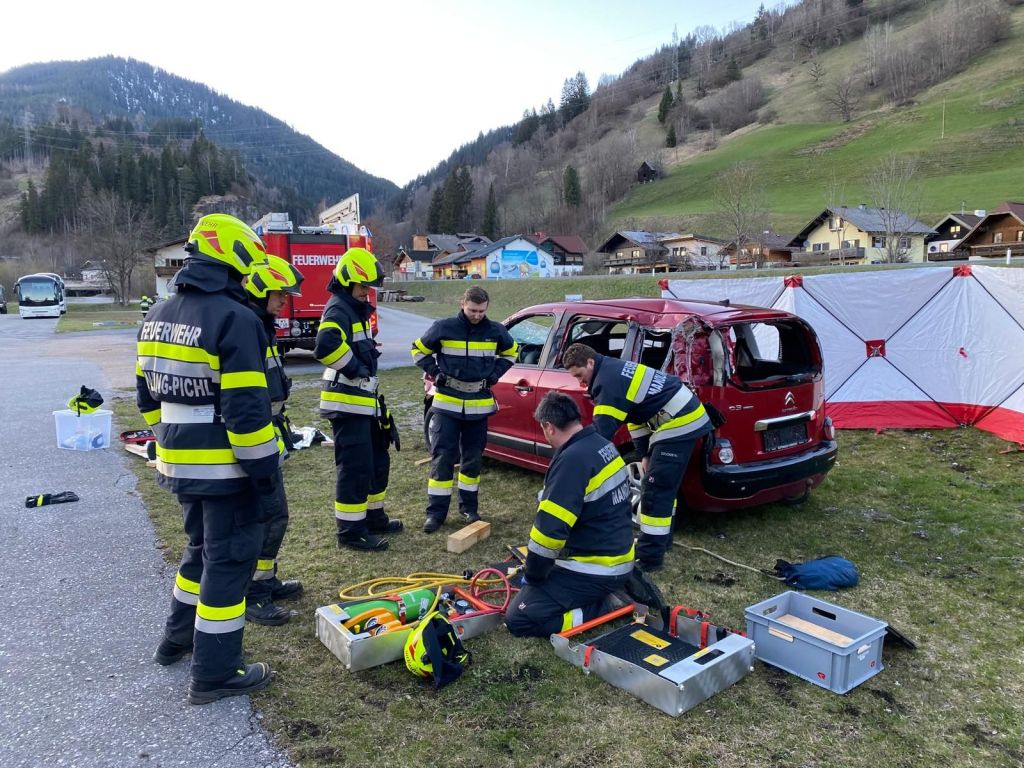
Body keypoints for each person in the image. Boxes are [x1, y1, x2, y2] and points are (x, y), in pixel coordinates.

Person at [137, 213, 279, 705]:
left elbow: (146, 397)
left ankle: (175, 641)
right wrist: (264, 473)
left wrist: (171, 442)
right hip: (226, 470)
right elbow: (246, 411)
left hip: (178, 463)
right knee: (230, 562)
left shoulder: (157, 313)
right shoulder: (236, 318)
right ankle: (215, 673)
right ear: (234, 261)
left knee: (198, 551)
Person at [561, 342, 713, 572]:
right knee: (664, 487)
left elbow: (600, 435)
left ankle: (649, 558)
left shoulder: (607, 382)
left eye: (580, 375)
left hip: (681, 423)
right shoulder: (612, 369)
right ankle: (662, 542)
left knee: (655, 489)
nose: (580, 382)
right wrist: (644, 454)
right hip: (679, 419)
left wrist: (580, 465)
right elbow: (635, 418)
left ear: (590, 362)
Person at [505, 392, 634, 637]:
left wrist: (533, 576)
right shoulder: (602, 445)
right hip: (618, 557)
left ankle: (605, 606)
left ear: (549, 427)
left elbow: (548, 535)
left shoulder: (572, 460)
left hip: (595, 569)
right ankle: (608, 592)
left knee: (520, 618)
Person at [315, 246, 401, 552]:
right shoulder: (339, 308)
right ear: (347, 281)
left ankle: (373, 517)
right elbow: (325, 345)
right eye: (363, 286)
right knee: (355, 468)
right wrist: (355, 369)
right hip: (347, 405)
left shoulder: (355, 309)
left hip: (364, 403)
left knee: (376, 461)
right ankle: (351, 531)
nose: (367, 292)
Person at [411, 286, 517, 533]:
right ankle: (436, 514)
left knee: (472, 460)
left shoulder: (495, 331)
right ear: (462, 304)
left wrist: (495, 374)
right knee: (442, 458)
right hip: (446, 406)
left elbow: (512, 353)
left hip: (478, 408)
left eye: (481, 311)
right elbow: (417, 350)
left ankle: (469, 509)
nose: (477, 315)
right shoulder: (443, 327)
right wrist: (435, 372)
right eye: (472, 310)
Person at [242, 254, 305, 625]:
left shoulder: (260, 325)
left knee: (273, 514)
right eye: (280, 294)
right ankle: (254, 594)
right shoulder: (248, 327)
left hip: (267, 429)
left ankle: (265, 581)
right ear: (260, 290)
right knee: (268, 515)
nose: (285, 301)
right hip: (254, 434)